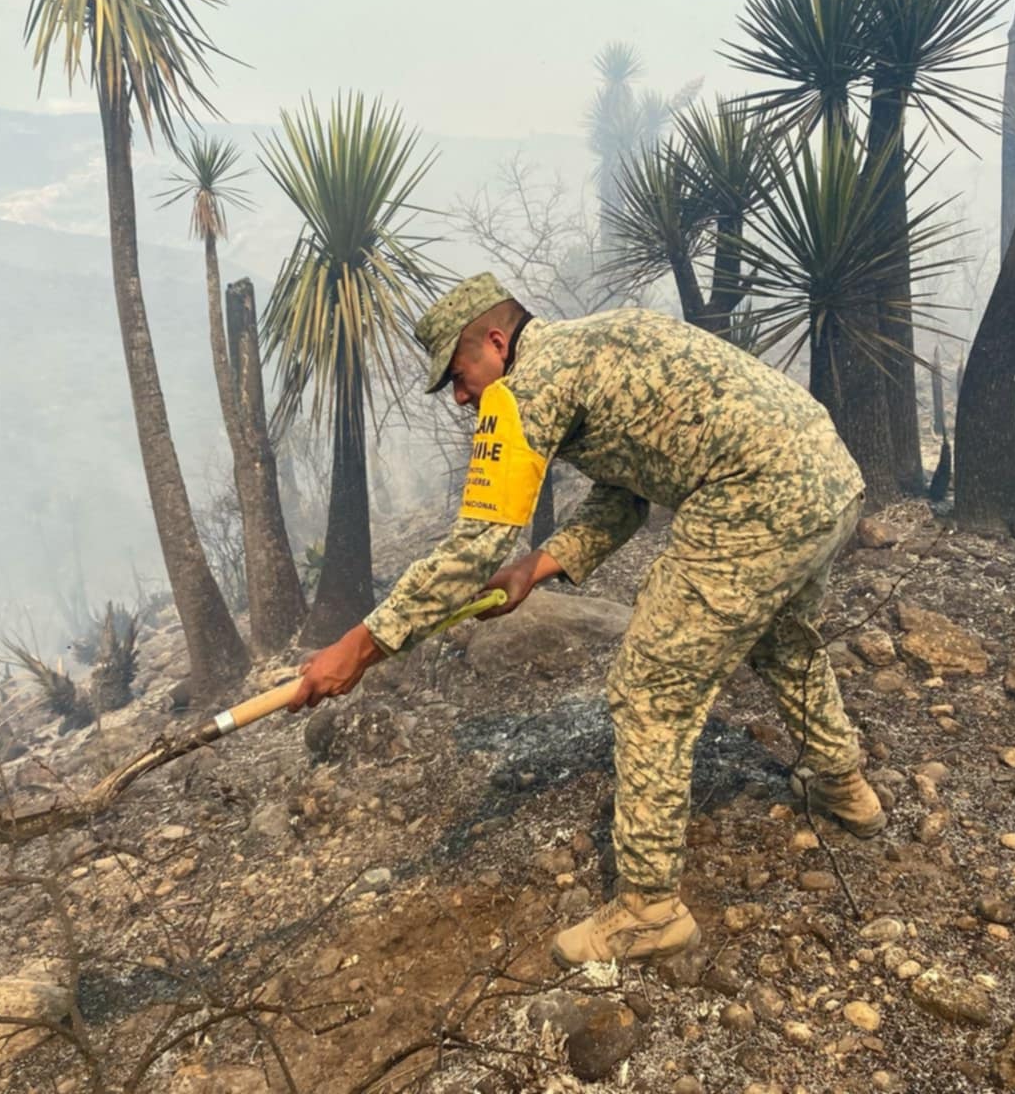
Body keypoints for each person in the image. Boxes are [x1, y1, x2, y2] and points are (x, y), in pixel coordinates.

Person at [288, 273, 885, 966]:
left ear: (494, 340)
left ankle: (648, 911)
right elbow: (625, 495)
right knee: (785, 640)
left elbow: (473, 545)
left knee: (650, 690)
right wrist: (535, 568)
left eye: (458, 374)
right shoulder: (593, 346)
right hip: (827, 478)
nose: (458, 395)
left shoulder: (527, 386)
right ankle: (845, 786)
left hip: (754, 495)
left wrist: (358, 648)